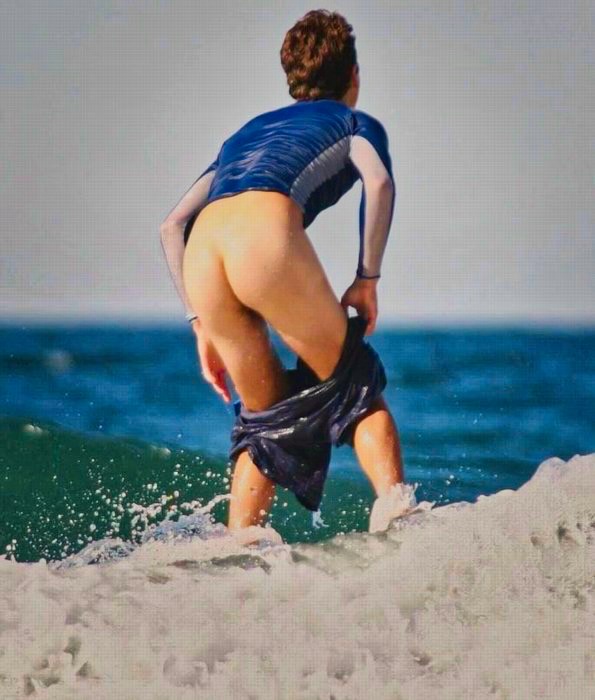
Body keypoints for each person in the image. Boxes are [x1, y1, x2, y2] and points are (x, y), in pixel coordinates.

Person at [159, 9, 414, 536]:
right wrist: (367, 278)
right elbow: (380, 183)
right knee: (354, 385)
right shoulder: (354, 122)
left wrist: (200, 323)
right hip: (262, 238)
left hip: (204, 254)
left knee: (266, 420)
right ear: (354, 75)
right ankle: (400, 522)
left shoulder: (244, 135)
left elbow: (172, 225)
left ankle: (236, 549)